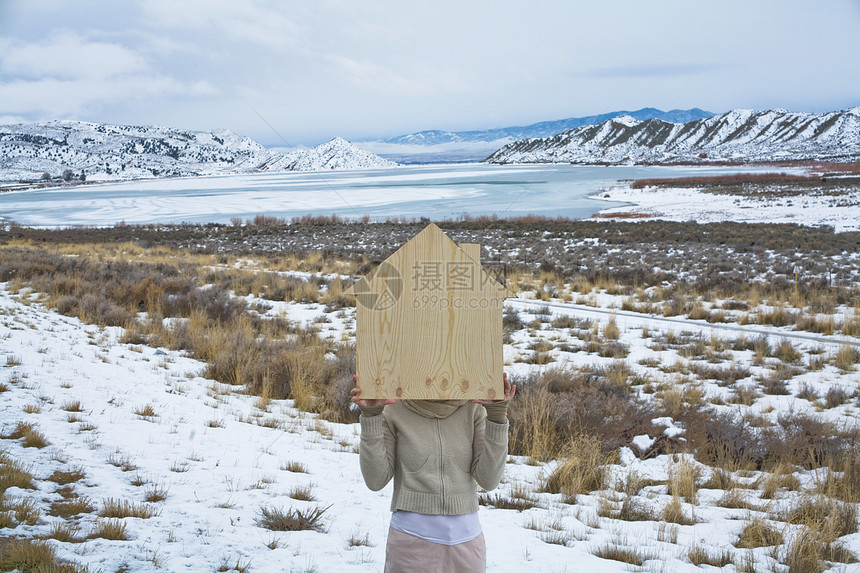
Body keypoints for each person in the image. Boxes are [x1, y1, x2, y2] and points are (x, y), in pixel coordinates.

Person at [351, 373, 516, 573]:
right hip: (410, 542)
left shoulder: (475, 406)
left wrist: (497, 416)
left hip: (467, 545)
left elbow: (488, 480)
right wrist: (371, 415)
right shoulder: (393, 406)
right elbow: (375, 480)